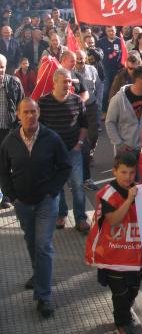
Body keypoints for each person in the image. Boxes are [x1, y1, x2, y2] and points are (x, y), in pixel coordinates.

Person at [0, 98, 72, 318]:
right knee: (31, 243)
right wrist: (13, 197)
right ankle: (38, 274)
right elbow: (3, 172)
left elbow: (65, 166)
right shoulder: (10, 141)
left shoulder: (51, 138)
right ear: (19, 115)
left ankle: (44, 296)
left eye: (33, 111)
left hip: (46, 203)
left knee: (43, 245)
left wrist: (53, 191)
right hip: (22, 204)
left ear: (39, 113)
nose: (30, 116)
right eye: (26, 112)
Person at [85, 151, 142, 334]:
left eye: (132, 173)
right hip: (113, 255)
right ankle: (123, 323)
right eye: (124, 172)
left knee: (133, 289)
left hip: (134, 255)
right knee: (121, 292)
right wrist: (128, 200)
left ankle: (124, 313)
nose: (128, 177)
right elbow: (114, 220)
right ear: (115, 171)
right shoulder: (107, 194)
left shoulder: (140, 189)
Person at [38, 67, 89, 233]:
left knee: (77, 185)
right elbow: (40, 127)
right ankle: (61, 214)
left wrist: (79, 143)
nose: (68, 84)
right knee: (57, 185)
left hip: (74, 150)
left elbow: (84, 125)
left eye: (69, 81)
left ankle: (80, 218)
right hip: (53, 153)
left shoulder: (77, 101)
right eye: (64, 82)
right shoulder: (43, 102)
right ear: (55, 82)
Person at [105, 65, 142, 156]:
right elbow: (109, 122)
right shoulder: (118, 99)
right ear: (138, 79)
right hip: (126, 149)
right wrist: (119, 143)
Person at [0, 53, 25, 208]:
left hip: (9, 130)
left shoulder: (14, 83)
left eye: (1, 67)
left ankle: (7, 195)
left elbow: (22, 106)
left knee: (6, 164)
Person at [74, 49, 100, 191]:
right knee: (82, 140)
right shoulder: (71, 73)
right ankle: (83, 174)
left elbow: (99, 87)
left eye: (82, 58)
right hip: (77, 110)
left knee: (94, 134)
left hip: (91, 106)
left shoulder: (92, 70)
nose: (80, 60)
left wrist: (99, 103)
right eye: (77, 58)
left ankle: (89, 152)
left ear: (86, 59)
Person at [97, 26, 123, 113]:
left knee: (118, 90)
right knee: (106, 90)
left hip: (119, 69)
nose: (111, 32)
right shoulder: (100, 42)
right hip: (106, 70)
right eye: (109, 31)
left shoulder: (120, 41)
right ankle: (104, 111)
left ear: (115, 31)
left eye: (112, 31)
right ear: (106, 31)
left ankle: (119, 111)